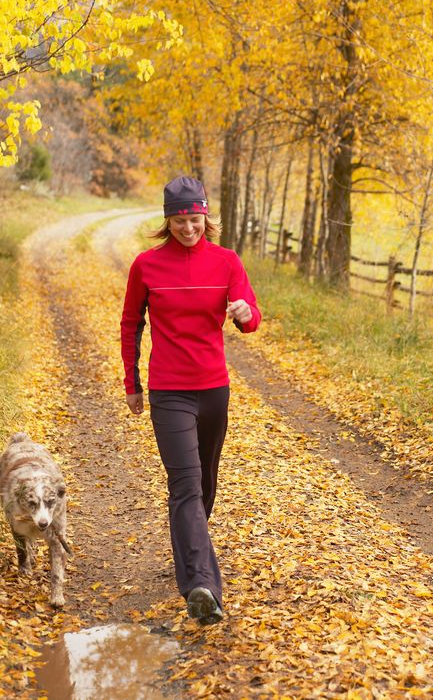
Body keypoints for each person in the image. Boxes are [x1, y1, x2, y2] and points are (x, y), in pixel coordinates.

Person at [120, 176, 261, 625]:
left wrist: (243, 313)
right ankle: (201, 584)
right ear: (168, 219)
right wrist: (133, 382)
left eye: (194, 219)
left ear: (206, 217)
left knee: (205, 485)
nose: (187, 228)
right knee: (185, 484)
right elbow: (130, 324)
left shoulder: (227, 262)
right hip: (169, 391)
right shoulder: (146, 266)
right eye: (179, 220)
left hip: (213, 389)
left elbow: (252, 317)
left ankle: (190, 551)